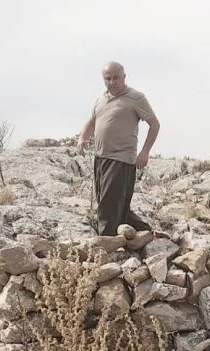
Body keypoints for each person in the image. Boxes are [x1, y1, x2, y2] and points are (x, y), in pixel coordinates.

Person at [77, 61, 160, 236]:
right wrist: (83, 138)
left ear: (124, 77)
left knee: (108, 207)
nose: (112, 82)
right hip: (101, 158)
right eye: (108, 78)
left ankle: (105, 246)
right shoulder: (101, 99)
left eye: (116, 78)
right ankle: (145, 233)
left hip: (121, 159)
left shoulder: (136, 98)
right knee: (112, 204)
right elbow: (92, 121)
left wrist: (144, 152)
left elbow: (154, 124)